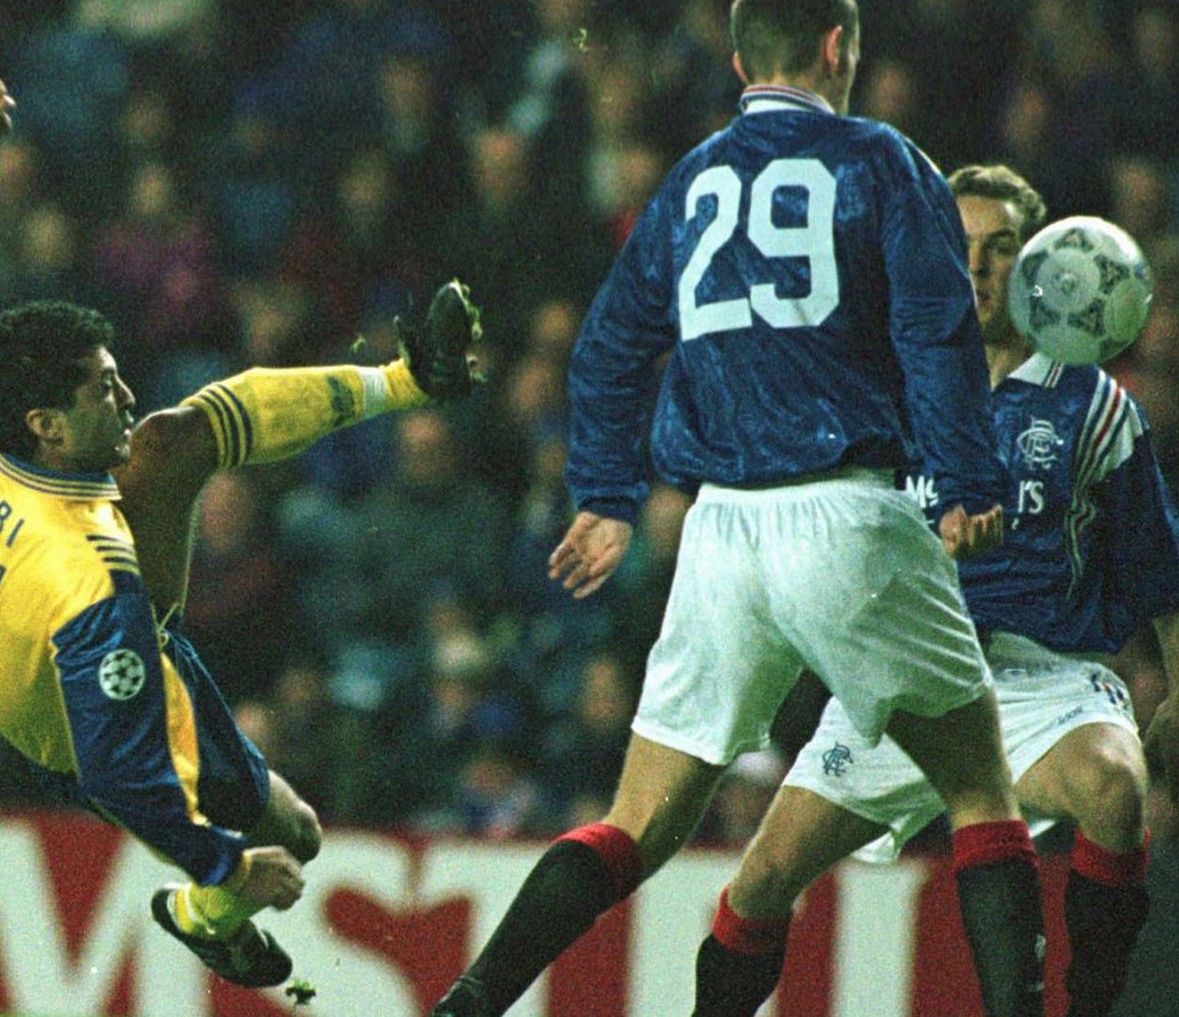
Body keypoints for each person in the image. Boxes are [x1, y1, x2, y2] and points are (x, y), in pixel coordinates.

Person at [432, 3, 1044, 1016]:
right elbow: (939, 334)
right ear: (841, 47)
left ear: (734, 59)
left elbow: (610, 347)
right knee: (980, 788)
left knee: (636, 822)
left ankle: (468, 1002)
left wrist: (608, 497)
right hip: (847, 515)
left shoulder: (689, 181)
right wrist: (970, 482)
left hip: (717, 535)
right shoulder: (883, 160)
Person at [0, 71, 478, 989]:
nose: (123, 389)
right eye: (101, 388)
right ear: (47, 425)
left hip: (24, 620)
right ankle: (204, 916)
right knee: (290, 834)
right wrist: (221, 868)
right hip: (53, 709)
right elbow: (117, 775)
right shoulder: (95, 583)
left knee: (167, 441)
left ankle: (410, 380)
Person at [701, 164, 1179, 1017]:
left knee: (1117, 787)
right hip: (902, 677)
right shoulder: (889, 386)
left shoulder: (1092, 404)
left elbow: (1161, 561)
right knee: (762, 877)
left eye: (1000, 248)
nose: (977, 268)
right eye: (960, 248)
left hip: (1040, 676)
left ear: (1040, 264)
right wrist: (925, 545)